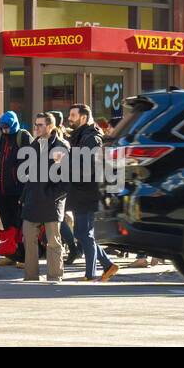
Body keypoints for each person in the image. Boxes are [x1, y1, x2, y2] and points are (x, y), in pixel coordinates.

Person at [66, 103, 119, 282]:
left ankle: (91, 274)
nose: (69, 118)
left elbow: (89, 167)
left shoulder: (92, 137)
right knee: (81, 233)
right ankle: (107, 265)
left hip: (88, 191)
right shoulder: (79, 135)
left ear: (83, 117)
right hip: (79, 190)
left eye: (72, 115)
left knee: (84, 233)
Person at [21, 112, 70, 283]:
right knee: (28, 236)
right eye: (35, 124)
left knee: (53, 241)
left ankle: (54, 276)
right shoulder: (34, 145)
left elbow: (67, 179)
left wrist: (52, 196)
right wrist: (25, 195)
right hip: (32, 200)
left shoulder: (62, 146)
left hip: (52, 201)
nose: (36, 128)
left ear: (50, 126)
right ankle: (31, 276)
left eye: (40, 125)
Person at [0, 111, 32, 266]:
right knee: (7, 224)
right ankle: (11, 254)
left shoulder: (23, 137)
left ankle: (23, 256)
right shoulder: (0, 137)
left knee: (20, 225)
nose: (5, 130)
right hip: (2, 189)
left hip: (19, 189)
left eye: (7, 127)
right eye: (2, 128)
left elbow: (31, 162)